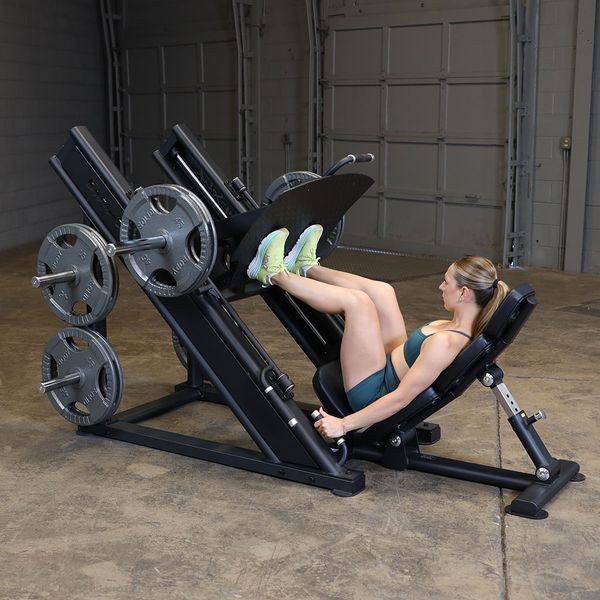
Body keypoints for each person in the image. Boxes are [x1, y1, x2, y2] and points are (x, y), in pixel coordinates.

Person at [247, 224, 509, 440]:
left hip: (372, 391)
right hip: (389, 363)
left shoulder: (446, 343)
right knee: (384, 292)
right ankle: (306, 267)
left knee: (357, 303)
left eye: (447, 282)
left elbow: (401, 398)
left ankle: (273, 274)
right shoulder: (460, 326)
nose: (441, 286)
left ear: (464, 293)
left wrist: (344, 424)